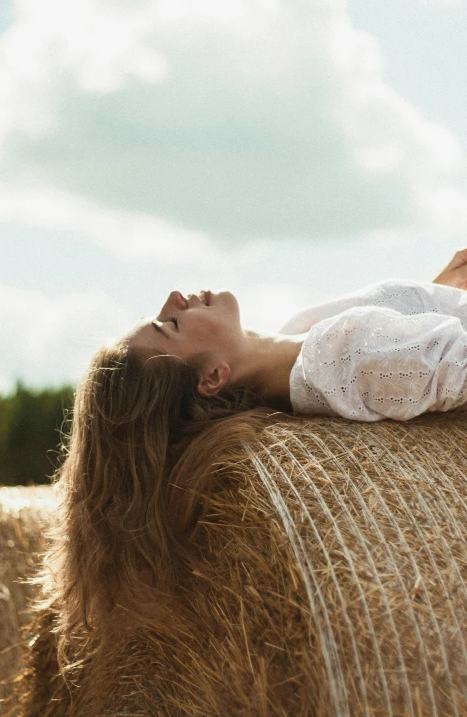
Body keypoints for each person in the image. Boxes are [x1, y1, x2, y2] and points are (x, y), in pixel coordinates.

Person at [38, 248, 467, 675]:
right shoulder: (343, 364)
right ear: (212, 378)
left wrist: (437, 291)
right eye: (170, 325)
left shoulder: (301, 348)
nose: (173, 298)